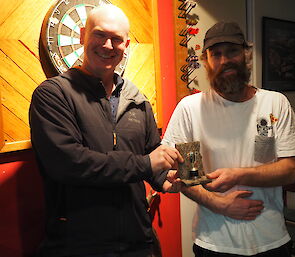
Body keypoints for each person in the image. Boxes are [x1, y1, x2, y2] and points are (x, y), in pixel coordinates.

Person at [29, 4, 183, 257]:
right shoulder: (53, 94)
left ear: (127, 45)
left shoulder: (137, 99)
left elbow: (151, 151)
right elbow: (70, 164)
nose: (108, 45)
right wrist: (146, 165)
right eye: (99, 35)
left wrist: (165, 179)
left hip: (137, 242)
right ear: (82, 35)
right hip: (78, 245)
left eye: (116, 39)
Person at [162, 21, 295, 257]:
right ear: (206, 62)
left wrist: (239, 175)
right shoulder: (192, 110)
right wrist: (220, 204)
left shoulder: (274, 104)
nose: (224, 60)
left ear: (246, 54)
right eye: (216, 54)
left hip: (271, 240)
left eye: (232, 51)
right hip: (214, 243)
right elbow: (188, 174)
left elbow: (291, 170)